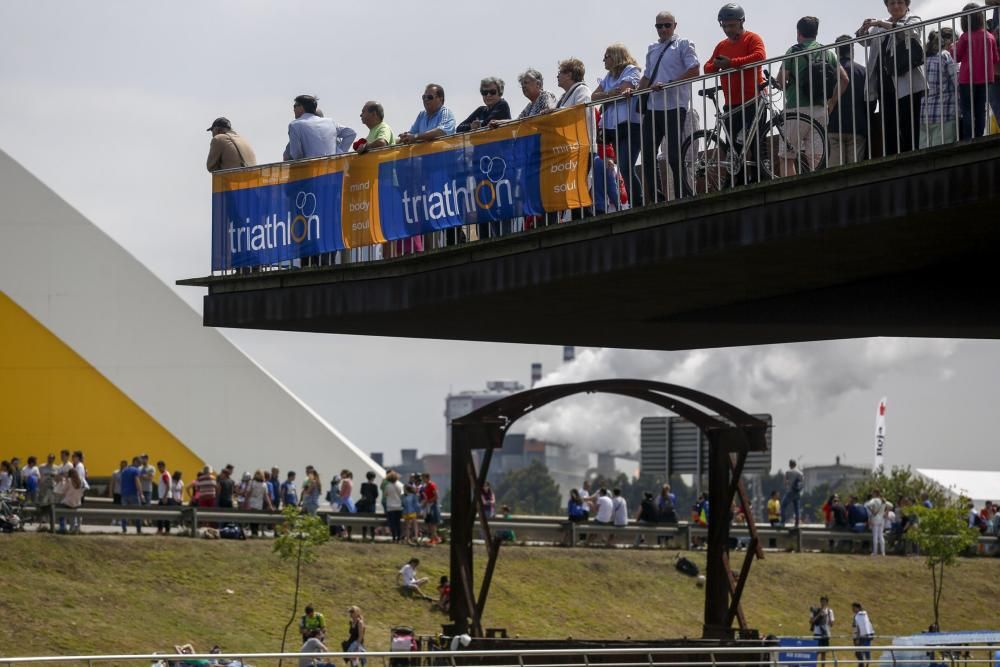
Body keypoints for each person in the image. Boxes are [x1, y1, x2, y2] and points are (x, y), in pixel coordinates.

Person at [635, 13, 700, 203]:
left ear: (674, 25)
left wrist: (669, 83)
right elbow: (647, 77)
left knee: (673, 154)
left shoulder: (684, 44)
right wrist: (634, 91)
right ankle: (656, 197)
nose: (663, 29)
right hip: (653, 106)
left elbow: (694, 70)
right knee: (647, 154)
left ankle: (681, 194)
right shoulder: (652, 48)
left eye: (667, 25)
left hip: (674, 105)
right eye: (659, 26)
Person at [776, 16, 849, 176]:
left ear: (798, 32)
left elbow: (781, 80)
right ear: (816, 33)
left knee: (787, 157)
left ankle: (792, 195)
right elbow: (844, 79)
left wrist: (785, 85)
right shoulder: (827, 53)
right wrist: (831, 103)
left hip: (796, 110)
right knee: (818, 158)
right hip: (820, 111)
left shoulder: (793, 52)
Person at [704, 3, 767, 185]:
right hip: (731, 102)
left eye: (731, 25)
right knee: (733, 144)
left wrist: (731, 63)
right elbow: (707, 67)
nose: (728, 29)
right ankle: (734, 180)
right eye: (724, 25)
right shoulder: (721, 45)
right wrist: (717, 65)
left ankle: (759, 177)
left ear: (741, 22)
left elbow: (759, 56)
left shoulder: (752, 38)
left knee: (756, 140)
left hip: (753, 98)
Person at [855, 0, 927, 155]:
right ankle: (892, 156)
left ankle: (911, 154)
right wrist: (863, 29)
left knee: (909, 121)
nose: (895, 6)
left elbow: (910, 32)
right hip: (884, 81)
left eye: (900, 2)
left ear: (907, 5)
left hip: (907, 81)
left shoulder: (912, 19)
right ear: (887, 6)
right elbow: (863, 41)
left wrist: (881, 23)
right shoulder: (881, 25)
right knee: (888, 121)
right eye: (892, 3)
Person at [593, 42, 643, 204]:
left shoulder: (631, 70)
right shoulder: (609, 77)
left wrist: (606, 94)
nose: (603, 60)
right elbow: (594, 96)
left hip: (630, 123)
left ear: (615, 56)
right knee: (623, 166)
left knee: (626, 165)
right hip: (613, 127)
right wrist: (609, 94)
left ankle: (638, 202)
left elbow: (623, 89)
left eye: (606, 56)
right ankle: (635, 202)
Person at [829, 36, 877, 165]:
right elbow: (871, 100)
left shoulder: (830, 72)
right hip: (858, 126)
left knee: (834, 172)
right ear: (852, 49)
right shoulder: (863, 72)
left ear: (836, 52)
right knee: (855, 170)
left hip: (834, 126)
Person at [955, 3, 999, 139]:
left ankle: (969, 137)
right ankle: (979, 136)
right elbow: (995, 59)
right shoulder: (990, 37)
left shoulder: (964, 37)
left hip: (966, 79)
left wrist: (952, 48)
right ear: (981, 18)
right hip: (986, 78)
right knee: (981, 110)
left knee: (967, 109)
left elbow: (956, 57)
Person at [919, 31, 959, 147]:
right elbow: (957, 81)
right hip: (944, 113)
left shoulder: (922, 61)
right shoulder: (944, 55)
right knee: (944, 154)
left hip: (924, 116)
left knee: (924, 156)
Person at [285, 95, 356, 160]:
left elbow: (297, 155)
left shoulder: (294, 125)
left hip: (311, 170)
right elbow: (351, 133)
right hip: (333, 169)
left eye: (295, 106)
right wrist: (339, 154)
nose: (293, 109)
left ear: (301, 107)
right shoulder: (330, 122)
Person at [55, 467, 85, 533]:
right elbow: (83, 489)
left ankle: (63, 527)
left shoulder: (69, 481)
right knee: (74, 513)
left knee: (60, 509)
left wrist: (62, 481)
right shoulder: (81, 480)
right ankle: (76, 528)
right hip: (77, 502)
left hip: (68, 502)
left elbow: (62, 491)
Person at [119, 456, 144, 534]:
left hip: (124, 494)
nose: (140, 465)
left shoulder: (124, 470)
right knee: (137, 512)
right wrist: (141, 494)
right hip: (133, 494)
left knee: (124, 512)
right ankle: (138, 529)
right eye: (139, 463)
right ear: (135, 462)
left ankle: (124, 529)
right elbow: (137, 482)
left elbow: (121, 482)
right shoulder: (135, 470)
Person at [865, 488, 892, 556]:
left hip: (875, 518)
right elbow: (891, 505)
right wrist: (886, 511)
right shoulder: (883, 500)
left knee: (875, 536)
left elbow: (867, 505)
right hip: (882, 518)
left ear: (875, 493)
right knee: (881, 535)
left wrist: (872, 511)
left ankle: (875, 552)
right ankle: (883, 552)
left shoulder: (874, 500)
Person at [811, 596, 835, 664]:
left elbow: (831, 624)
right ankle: (813, 665)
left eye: (824, 601)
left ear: (827, 602)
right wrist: (819, 614)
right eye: (822, 601)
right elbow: (811, 621)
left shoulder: (830, 611)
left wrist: (827, 616)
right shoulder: (816, 610)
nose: (823, 603)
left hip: (825, 634)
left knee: (823, 653)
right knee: (816, 652)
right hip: (817, 633)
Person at [382, 471, 404, 543]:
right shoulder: (399, 486)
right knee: (398, 523)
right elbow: (400, 494)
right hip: (398, 507)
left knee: (392, 523)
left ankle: (394, 537)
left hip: (390, 507)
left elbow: (385, 495)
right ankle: (399, 538)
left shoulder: (387, 486)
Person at [852, 602, 875, 667]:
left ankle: (863, 665)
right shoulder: (861, 615)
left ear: (858, 608)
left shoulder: (860, 616)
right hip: (861, 636)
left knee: (861, 652)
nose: (853, 609)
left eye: (854, 608)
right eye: (852, 608)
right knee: (860, 652)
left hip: (861, 637)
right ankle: (862, 664)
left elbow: (860, 627)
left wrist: (857, 638)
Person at [420, 472, 441, 545]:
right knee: (429, 523)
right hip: (427, 505)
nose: (423, 480)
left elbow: (436, 496)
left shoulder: (432, 485)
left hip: (432, 505)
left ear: (428, 478)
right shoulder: (426, 486)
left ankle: (434, 539)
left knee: (432, 524)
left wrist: (428, 501)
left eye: (424, 478)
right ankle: (435, 538)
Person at [782, 459, 804, 526]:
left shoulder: (788, 472)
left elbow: (785, 482)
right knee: (797, 508)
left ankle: (782, 522)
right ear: (795, 464)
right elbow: (802, 482)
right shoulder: (800, 473)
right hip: (797, 492)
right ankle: (797, 523)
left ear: (789, 465)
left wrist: (789, 482)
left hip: (790, 492)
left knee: (783, 506)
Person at [156, 460, 173, 535]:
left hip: (164, 498)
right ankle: (166, 530)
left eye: (160, 467)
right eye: (158, 467)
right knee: (165, 515)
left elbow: (168, 485)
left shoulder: (165, 475)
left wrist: (164, 497)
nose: (159, 469)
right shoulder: (165, 474)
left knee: (161, 515)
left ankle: (161, 530)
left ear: (163, 467)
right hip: (164, 497)